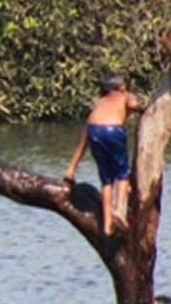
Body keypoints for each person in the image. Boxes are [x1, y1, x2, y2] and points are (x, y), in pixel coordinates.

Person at [63, 74, 147, 238]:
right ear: (120, 87)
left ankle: (107, 226)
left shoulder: (100, 102)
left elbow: (84, 137)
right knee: (122, 176)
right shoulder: (124, 96)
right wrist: (142, 109)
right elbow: (133, 104)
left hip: (94, 130)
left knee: (106, 179)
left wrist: (72, 167)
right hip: (113, 130)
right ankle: (118, 211)